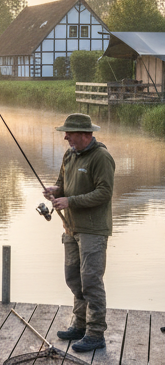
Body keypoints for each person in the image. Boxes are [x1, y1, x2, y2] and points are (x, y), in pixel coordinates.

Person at [43, 113, 115, 352]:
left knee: (91, 281)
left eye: (69, 133)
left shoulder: (101, 157)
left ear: (85, 134)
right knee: (73, 278)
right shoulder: (69, 155)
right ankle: (80, 325)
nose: (65, 137)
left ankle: (96, 333)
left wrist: (70, 201)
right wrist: (55, 190)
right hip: (70, 228)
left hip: (93, 230)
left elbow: (104, 193)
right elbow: (62, 184)